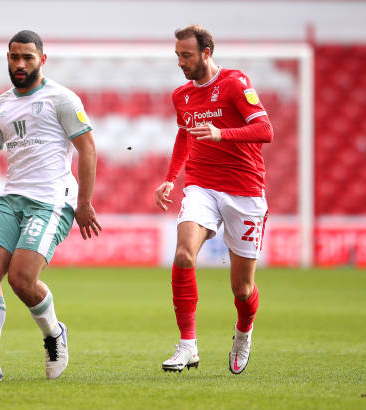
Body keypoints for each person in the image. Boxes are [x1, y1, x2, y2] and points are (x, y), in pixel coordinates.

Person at [0, 30, 101, 381]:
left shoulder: (62, 99)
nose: (20, 64)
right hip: (12, 198)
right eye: (14, 57)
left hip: (51, 201)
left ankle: (54, 333)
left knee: (22, 280)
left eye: (27, 57)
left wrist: (84, 201)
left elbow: (87, 148)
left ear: (42, 58)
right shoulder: (1, 105)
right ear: (7, 58)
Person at [155, 24, 273, 375]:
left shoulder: (235, 83)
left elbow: (266, 130)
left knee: (242, 288)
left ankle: (243, 331)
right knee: (182, 254)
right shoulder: (182, 95)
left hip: (245, 191)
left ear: (206, 52)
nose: (180, 62)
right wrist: (170, 178)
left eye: (186, 55)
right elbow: (183, 136)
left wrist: (222, 134)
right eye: (177, 55)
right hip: (201, 185)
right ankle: (187, 346)